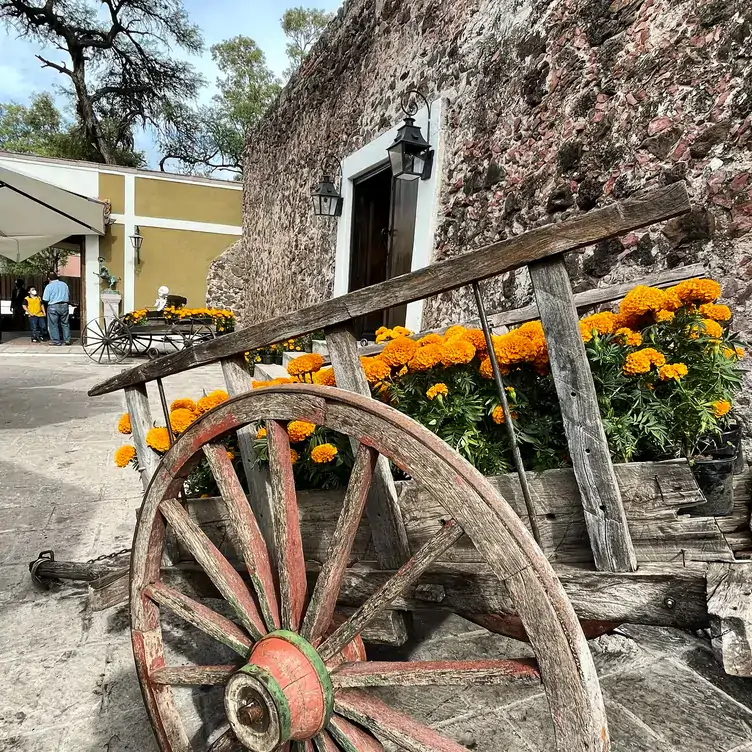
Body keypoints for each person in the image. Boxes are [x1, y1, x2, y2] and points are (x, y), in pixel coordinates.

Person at [42, 272, 71, 346]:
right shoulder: (64, 284)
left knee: (53, 324)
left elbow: (45, 298)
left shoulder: (49, 286)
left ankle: (56, 341)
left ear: (49, 279)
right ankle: (67, 340)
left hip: (53, 306)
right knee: (65, 323)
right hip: (64, 305)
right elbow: (68, 294)